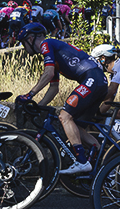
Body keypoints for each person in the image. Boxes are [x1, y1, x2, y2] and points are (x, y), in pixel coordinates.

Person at [17, 22, 107, 176]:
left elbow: (48, 73)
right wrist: (39, 106)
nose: (23, 47)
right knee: (76, 126)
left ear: (30, 38)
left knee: (65, 116)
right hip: (99, 81)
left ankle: (81, 162)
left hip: (92, 78)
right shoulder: (53, 51)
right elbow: (54, 88)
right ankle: (103, 160)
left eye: (23, 42)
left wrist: (29, 95)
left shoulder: (46, 44)